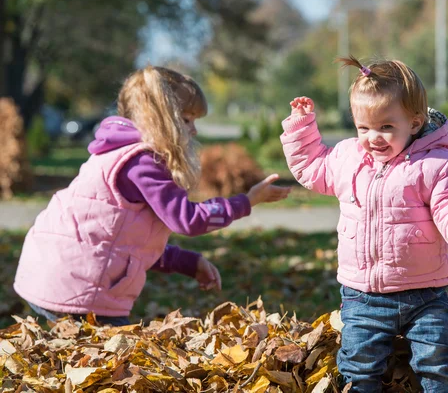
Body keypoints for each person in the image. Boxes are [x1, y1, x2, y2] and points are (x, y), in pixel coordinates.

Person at [14, 65, 291, 327]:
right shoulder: (141, 163)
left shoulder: (118, 155)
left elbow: (125, 243)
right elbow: (188, 220)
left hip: (54, 276)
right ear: (159, 119)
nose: (193, 130)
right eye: (186, 120)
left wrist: (188, 263)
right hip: (79, 290)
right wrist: (248, 201)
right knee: (115, 368)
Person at [280, 55, 448, 393]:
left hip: (424, 292)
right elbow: (312, 167)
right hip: (363, 295)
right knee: (358, 366)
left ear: (415, 122)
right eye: (363, 127)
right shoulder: (348, 158)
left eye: (386, 127)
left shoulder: (435, 165)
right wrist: (302, 126)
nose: (373, 137)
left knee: (436, 363)